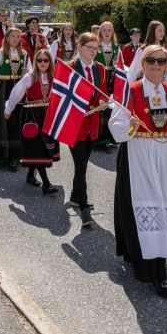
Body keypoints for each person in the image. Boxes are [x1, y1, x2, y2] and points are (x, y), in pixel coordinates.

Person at [110, 45, 167, 298]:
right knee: (143, 205)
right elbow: (116, 125)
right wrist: (131, 126)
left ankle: (160, 260)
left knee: (163, 203)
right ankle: (149, 268)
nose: (156, 65)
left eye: (161, 61)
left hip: (163, 155)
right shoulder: (132, 90)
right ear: (143, 64)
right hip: (138, 155)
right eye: (151, 60)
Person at [66, 32, 109, 228]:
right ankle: (84, 207)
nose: (93, 51)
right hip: (75, 126)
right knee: (81, 166)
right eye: (89, 47)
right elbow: (64, 97)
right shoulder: (69, 69)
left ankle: (75, 196)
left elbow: (103, 92)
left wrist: (103, 101)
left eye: (95, 48)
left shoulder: (100, 68)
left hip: (92, 124)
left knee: (82, 165)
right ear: (79, 47)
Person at [4, 48, 61, 195]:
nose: (43, 63)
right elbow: (17, 92)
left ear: (50, 62)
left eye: (46, 60)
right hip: (32, 114)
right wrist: (9, 109)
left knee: (41, 146)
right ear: (35, 62)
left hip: (47, 114)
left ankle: (30, 175)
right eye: (39, 60)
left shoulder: (53, 76)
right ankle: (46, 184)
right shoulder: (29, 77)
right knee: (37, 147)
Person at [0, 27, 30, 169]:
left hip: (19, 88)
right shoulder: (0, 53)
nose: (16, 39)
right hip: (4, 88)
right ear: (7, 38)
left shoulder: (24, 54)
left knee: (17, 121)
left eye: (18, 36)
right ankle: (4, 155)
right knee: (4, 121)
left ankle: (15, 156)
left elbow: (32, 72)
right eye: (13, 36)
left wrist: (29, 72)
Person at [94, 21, 120, 149]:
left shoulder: (116, 47)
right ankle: (100, 140)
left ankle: (112, 138)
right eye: (104, 30)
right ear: (100, 32)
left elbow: (120, 64)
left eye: (109, 30)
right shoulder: (96, 46)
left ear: (112, 32)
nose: (106, 32)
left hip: (113, 79)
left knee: (112, 108)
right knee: (101, 106)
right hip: (99, 79)